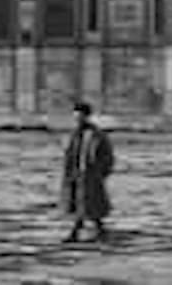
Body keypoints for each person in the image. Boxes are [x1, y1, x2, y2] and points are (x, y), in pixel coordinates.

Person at [61, 101, 114, 243]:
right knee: (82, 205)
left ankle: (77, 232)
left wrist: (101, 173)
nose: (78, 118)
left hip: (91, 176)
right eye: (76, 116)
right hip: (76, 175)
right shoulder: (74, 134)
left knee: (89, 206)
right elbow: (70, 155)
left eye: (80, 116)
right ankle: (98, 231)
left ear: (87, 116)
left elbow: (106, 156)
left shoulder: (97, 135)